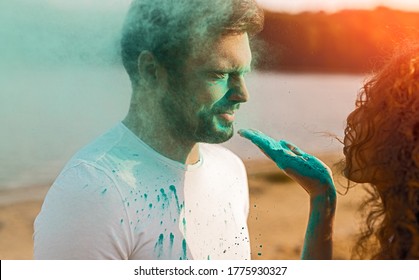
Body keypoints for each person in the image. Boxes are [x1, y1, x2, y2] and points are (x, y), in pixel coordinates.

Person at [34, 0, 334, 260]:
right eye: (219, 74)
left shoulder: (229, 170)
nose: (243, 94)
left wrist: (323, 200)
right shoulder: (93, 192)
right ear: (151, 71)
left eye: (243, 74)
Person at [240, 42, 419, 260]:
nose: (353, 119)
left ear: (409, 135)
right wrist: (322, 194)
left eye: (374, 108)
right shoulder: (402, 233)